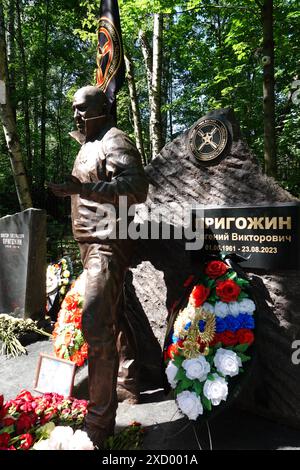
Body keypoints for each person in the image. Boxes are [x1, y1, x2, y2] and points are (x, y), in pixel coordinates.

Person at [48, 85, 149, 448]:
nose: (75, 116)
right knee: (114, 317)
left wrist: (86, 190)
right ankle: (128, 384)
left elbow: (138, 186)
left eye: (80, 109)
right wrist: (75, 189)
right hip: (91, 244)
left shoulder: (114, 139)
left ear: (100, 109)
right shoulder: (88, 143)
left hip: (107, 244)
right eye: (73, 109)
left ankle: (99, 420)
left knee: (95, 325)